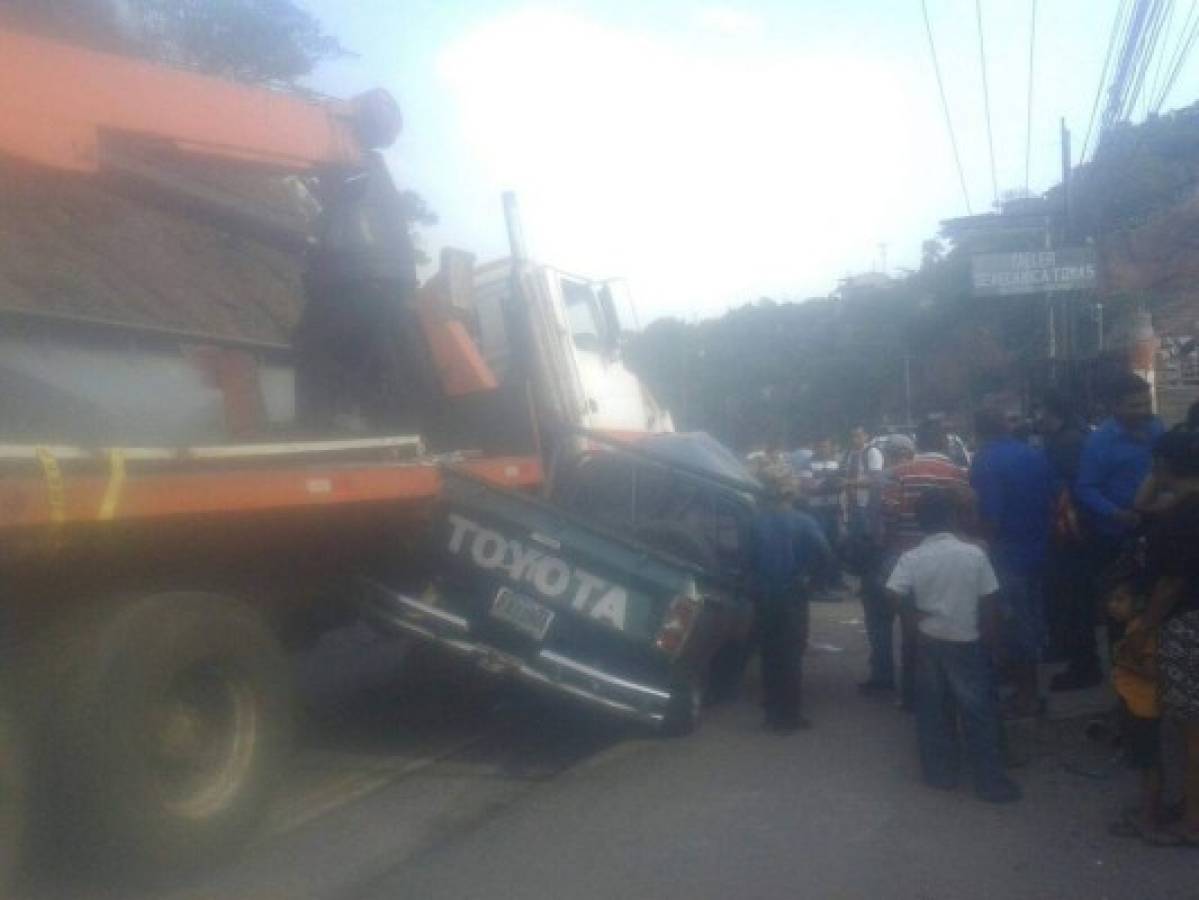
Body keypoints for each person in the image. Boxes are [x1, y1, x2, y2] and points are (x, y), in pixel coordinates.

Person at [886, 489, 1021, 803]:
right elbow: (989, 602)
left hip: (929, 639)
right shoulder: (973, 554)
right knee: (979, 712)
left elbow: (893, 594)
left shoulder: (912, 557)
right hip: (968, 639)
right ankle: (989, 783)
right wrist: (993, 644)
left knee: (932, 710)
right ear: (952, 518)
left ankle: (940, 775)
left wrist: (913, 616)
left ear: (920, 523)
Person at [1122, 430, 1199, 845]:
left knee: (1192, 731)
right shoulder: (1182, 509)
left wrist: (1145, 628)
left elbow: (1169, 586)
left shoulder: (1180, 518)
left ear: (1164, 466)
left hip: (1188, 625)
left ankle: (1193, 823)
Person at [880, 419, 973, 709]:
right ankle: (950, 693)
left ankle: (911, 697)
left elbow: (888, 514)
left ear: (918, 443)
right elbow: (968, 515)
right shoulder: (959, 475)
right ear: (944, 442)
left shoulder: (898, 474)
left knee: (911, 631)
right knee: (951, 625)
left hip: (907, 558)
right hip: (951, 558)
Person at [1074, 372, 1165, 660]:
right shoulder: (1100, 442)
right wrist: (1116, 513)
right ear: (1115, 407)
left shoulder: (1157, 430)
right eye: (1133, 406)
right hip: (1116, 537)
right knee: (1120, 609)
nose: (1142, 411)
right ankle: (1123, 676)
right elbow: (1085, 488)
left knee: (1155, 603)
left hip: (1154, 529)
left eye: (1145, 403)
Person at [970, 409, 1054, 718]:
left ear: (978, 432)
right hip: (1037, 548)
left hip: (1006, 554)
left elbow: (991, 516)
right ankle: (1027, 686)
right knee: (1032, 620)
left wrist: (979, 547)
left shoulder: (986, 461)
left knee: (1013, 625)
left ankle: (1027, 695)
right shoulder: (1033, 454)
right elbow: (1052, 497)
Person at [748, 475, 830, 733]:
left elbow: (746, 558)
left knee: (769, 653)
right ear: (789, 496)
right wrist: (813, 579)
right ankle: (790, 715)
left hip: (763, 594)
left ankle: (772, 713)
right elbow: (824, 552)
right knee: (791, 655)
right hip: (793, 594)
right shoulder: (804, 521)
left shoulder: (755, 522)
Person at [1039, 392, 1100, 691]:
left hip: (1071, 535)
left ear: (1054, 414)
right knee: (1077, 601)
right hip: (1081, 533)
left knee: (1074, 602)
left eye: (1043, 413)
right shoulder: (1080, 435)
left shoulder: (1065, 444)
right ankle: (1079, 659)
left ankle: (1084, 666)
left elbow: (1062, 491)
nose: (1039, 420)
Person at [806, 437, 845, 596]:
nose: (824, 450)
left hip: (833, 509)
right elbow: (808, 486)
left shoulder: (836, 463)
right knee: (820, 546)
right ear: (816, 448)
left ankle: (833, 580)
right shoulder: (808, 464)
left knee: (834, 545)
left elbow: (842, 483)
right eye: (821, 447)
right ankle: (818, 584)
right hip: (817, 510)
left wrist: (824, 483)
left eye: (827, 447)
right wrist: (828, 482)